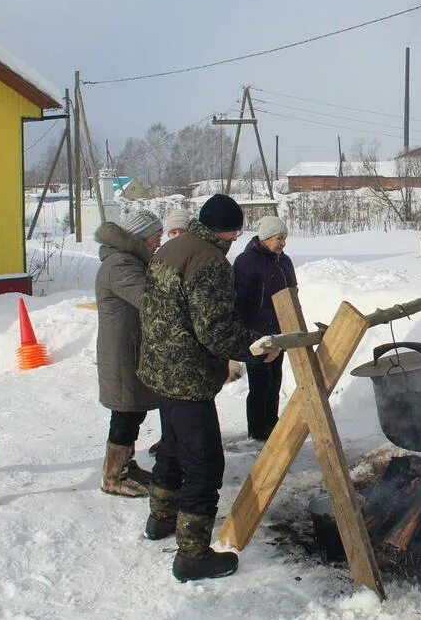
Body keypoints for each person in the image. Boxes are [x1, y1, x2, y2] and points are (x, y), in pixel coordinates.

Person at [138, 194, 279, 582]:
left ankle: (161, 520)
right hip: (188, 377)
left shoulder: (172, 249)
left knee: (172, 447)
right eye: (236, 232)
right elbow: (215, 330)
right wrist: (256, 350)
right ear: (230, 231)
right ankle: (192, 555)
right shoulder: (211, 262)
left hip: (160, 369)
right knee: (204, 463)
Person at [94, 210, 163, 498]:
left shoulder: (129, 260)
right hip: (123, 353)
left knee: (132, 412)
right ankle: (112, 476)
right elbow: (150, 299)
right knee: (125, 414)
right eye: (155, 238)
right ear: (140, 238)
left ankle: (126, 465)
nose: (158, 244)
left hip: (130, 348)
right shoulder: (121, 264)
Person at [233, 215, 297, 441]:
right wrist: (240, 331)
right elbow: (238, 299)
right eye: (279, 238)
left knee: (275, 380)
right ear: (266, 237)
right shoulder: (247, 261)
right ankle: (258, 429)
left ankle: (272, 422)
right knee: (260, 382)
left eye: (285, 238)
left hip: (280, 329)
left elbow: (292, 293)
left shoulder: (284, 261)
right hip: (256, 332)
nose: (283, 243)